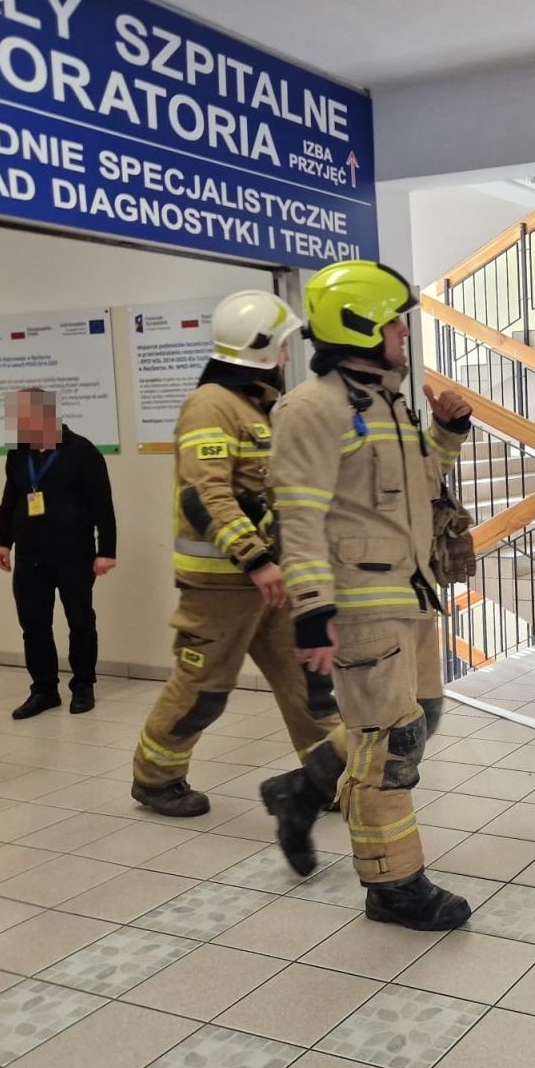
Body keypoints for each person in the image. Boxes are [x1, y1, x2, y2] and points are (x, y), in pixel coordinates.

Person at [258, 260, 474, 932]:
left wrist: (447, 433)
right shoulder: (311, 408)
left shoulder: (388, 401)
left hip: (410, 596)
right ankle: (393, 887)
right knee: (391, 744)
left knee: (422, 719)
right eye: (394, 323)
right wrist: (314, 611)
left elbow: (416, 483)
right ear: (360, 326)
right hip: (358, 604)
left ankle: (305, 786)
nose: (404, 334)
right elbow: (298, 516)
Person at [130, 291, 344, 817]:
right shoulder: (211, 405)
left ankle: (332, 776)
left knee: (309, 683)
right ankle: (155, 778)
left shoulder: (257, 405)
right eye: (283, 343)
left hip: (270, 579)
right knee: (203, 689)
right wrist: (255, 557)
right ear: (261, 347)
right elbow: (205, 493)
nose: (290, 353)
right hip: (223, 588)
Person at [0, 389, 116, 720]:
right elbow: (10, 502)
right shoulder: (18, 455)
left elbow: (102, 505)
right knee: (33, 624)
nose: (18, 425)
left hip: (73, 553)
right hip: (30, 555)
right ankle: (44, 689)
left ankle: (83, 685)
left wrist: (107, 551)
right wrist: (2, 542)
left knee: (79, 620)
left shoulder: (82, 452)